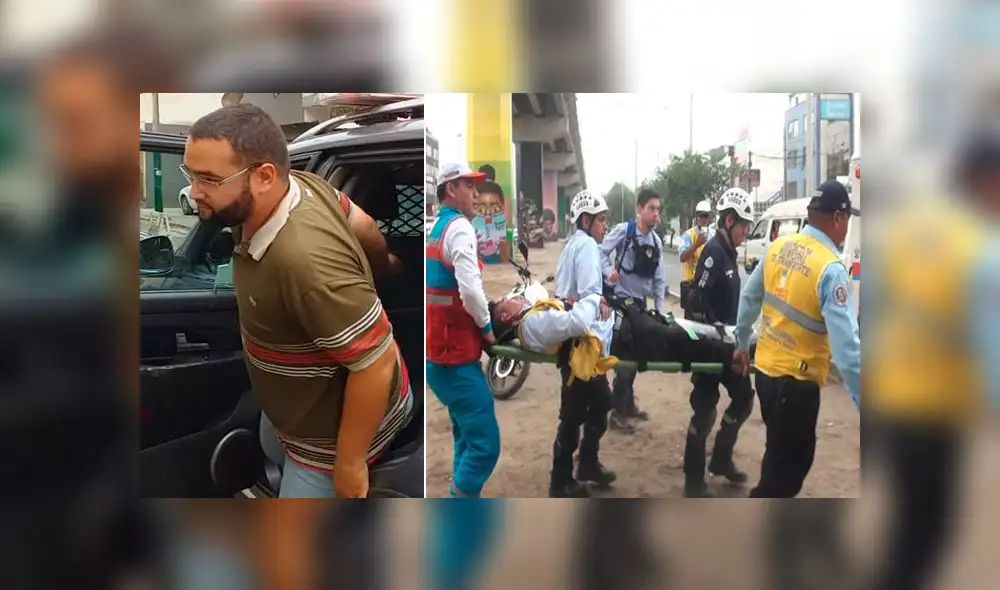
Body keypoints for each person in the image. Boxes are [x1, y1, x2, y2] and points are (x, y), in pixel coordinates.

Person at [184, 104, 414, 498]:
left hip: (328, 446)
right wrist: (385, 265)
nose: (193, 191)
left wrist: (349, 464)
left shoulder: (305, 264)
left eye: (208, 179)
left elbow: (377, 362)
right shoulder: (303, 187)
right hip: (297, 419)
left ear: (264, 177)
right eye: (190, 174)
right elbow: (363, 223)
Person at [864, 131, 1000, 590]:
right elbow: (992, 347)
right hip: (936, 409)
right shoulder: (980, 247)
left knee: (907, 528)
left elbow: (875, 306)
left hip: (890, 399)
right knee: (927, 533)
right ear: (987, 181)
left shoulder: (906, 229)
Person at [733, 179, 861, 498]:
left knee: (777, 452)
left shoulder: (778, 248)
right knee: (788, 473)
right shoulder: (830, 270)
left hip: (765, 374)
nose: (846, 228)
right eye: (847, 220)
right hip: (798, 385)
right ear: (837, 218)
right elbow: (847, 353)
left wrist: (740, 344)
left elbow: (748, 299)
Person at [425, 162, 500, 498]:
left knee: (465, 437)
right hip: (455, 359)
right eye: (469, 186)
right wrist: (487, 329)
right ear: (451, 189)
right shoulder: (459, 229)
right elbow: (470, 290)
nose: (476, 192)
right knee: (485, 446)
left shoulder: (438, 227)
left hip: (440, 355)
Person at [682, 188, 757, 497]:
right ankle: (693, 479)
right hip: (709, 344)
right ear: (729, 221)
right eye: (743, 226)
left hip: (727, 345)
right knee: (704, 410)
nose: (746, 232)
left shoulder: (729, 254)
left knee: (743, 398)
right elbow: (695, 298)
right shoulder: (713, 251)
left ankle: (722, 458)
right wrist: (715, 328)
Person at [548, 189, 616, 497]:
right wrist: (599, 299)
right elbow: (588, 293)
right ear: (586, 220)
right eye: (601, 220)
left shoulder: (571, 245)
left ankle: (585, 463)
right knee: (580, 408)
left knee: (592, 403)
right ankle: (561, 480)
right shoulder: (587, 245)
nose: (604, 226)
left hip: (570, 337)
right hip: (581, 344)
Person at [599, 189, 667, 432]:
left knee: (637, 354)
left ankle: (627, 404)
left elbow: (660, 281)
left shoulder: (656, 242)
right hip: (620, 302)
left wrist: (658, 311)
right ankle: (617, 412)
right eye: (651, 208)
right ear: (639, 209)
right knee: (625, 354)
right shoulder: (624, 232)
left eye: (658, 209)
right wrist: (609, 273)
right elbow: (600, 253)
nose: (655, 214)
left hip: (640, 306)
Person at [678, 199, 716, 314]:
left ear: (710, 218)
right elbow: (682, 257)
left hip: (708, 286)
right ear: (696, 217)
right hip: (691, 287)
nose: (703, 219)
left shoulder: (714, 235)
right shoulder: (688, 235)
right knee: (691, 326)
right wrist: (696, 244)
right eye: (701, 216)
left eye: (706, 216)